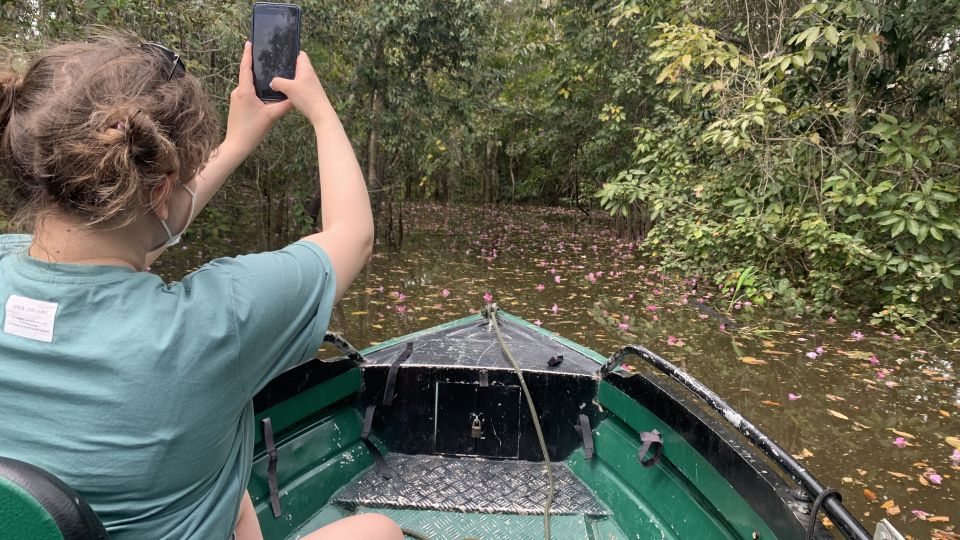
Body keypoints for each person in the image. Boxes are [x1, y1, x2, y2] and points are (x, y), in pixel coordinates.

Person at [0, 31, 401, 540]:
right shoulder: (214, 323)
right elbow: (354, 234)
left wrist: (235, 143)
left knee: (233, 498)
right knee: (377, 531)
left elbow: (119, 244)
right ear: (163, 191)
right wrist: (320, 112)